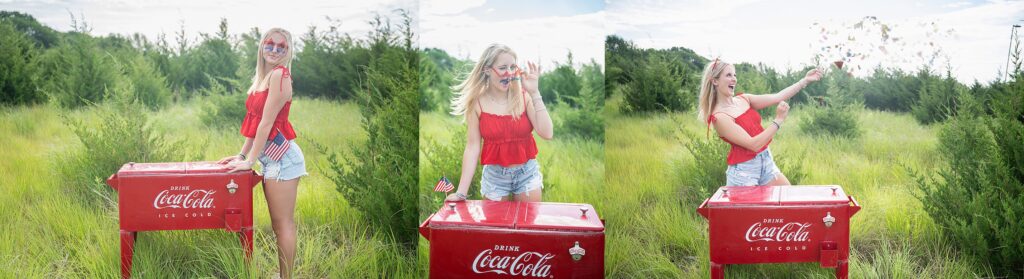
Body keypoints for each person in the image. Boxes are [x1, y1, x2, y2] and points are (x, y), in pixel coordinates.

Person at [219, 27, 306, 279]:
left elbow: (267, 124)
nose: (275, 50)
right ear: (262, 46)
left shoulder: (280, 75)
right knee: (278, 225)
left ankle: (285, 277)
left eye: (282, 47)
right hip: (270, 159)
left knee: (283, 225)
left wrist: (250, 161)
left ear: (288, 51)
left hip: (283, 158)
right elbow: (254, 121)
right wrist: (241, 155)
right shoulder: (263, 77)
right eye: (270, 44)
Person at [445, 44, 554, 202]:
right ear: (487, 70)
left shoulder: (524, 97)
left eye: (512, 67)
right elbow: (472, 147)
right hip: (495, 177)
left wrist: (535, 92)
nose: (509, 73)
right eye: (503, 67)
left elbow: (547, 133)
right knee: (496, 225)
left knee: (526, 223)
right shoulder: (477, 103)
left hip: (527, 173)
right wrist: (461, 192)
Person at [697, 58, 822, 186]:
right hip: (744, 174)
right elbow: (753, 145)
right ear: (715, 81)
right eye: (728, 75)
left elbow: (778, 97)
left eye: (734, 75)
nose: (734, 79)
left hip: (766, 162)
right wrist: (778, 120)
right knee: (756, 207)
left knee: (787, 197)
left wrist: (804, 81)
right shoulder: (720, 117)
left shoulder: (743, 99)